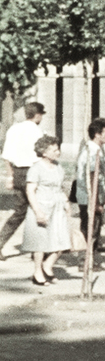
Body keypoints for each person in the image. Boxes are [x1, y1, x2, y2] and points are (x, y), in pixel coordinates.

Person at [21, 135, 71, 285]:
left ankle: (48, 265)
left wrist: (66, 202)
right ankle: (38, 272)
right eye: (53, 149)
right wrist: (37, 212)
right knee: (40, 242)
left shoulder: (58, 167)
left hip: (57, 207)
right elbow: (30, 191)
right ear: (44, 152)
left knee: (62, 238)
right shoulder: (36, 169)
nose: (57, 152)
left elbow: (60, 187)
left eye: (58, 149)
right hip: (42, 206)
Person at [0, 100, 47, 256]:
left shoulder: (14, 129)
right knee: (38, 208)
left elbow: (6, 155)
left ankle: (1, 241)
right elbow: (40, 157)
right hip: (33, 172)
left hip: (18, 172)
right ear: (37, 115)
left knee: (20, 211)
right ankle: (39, 248)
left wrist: (10, 176)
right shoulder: (37, 132)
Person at [74, 118, 105, 260]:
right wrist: (95, 201)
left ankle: (90, 256)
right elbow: (92, 176)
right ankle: (85, 259)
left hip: (94, 194)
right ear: (97, 134)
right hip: (90, 195)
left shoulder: (98, 149)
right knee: (90, 228)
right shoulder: (92, 151)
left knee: (94, 227)